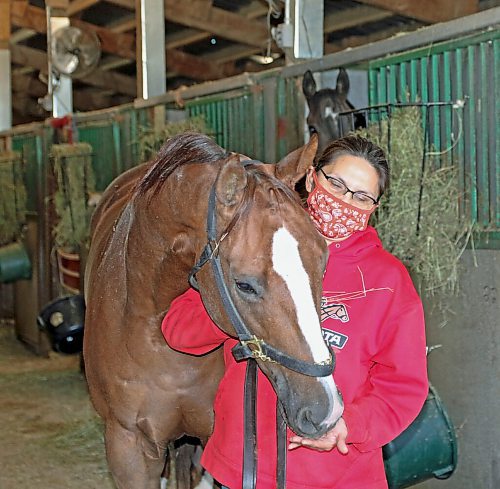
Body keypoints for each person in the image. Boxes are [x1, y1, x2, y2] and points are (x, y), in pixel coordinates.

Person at [162, 135, 428, 489]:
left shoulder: (387, 280)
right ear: (311, 178)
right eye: (336, 184)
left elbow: (403, 384)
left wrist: (350, 425)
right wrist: (238, 305)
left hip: (338, 474)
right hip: (244, 464)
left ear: (374, 208)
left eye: (361, 197)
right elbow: (178, 330)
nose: (344, 202)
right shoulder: (254, 246)